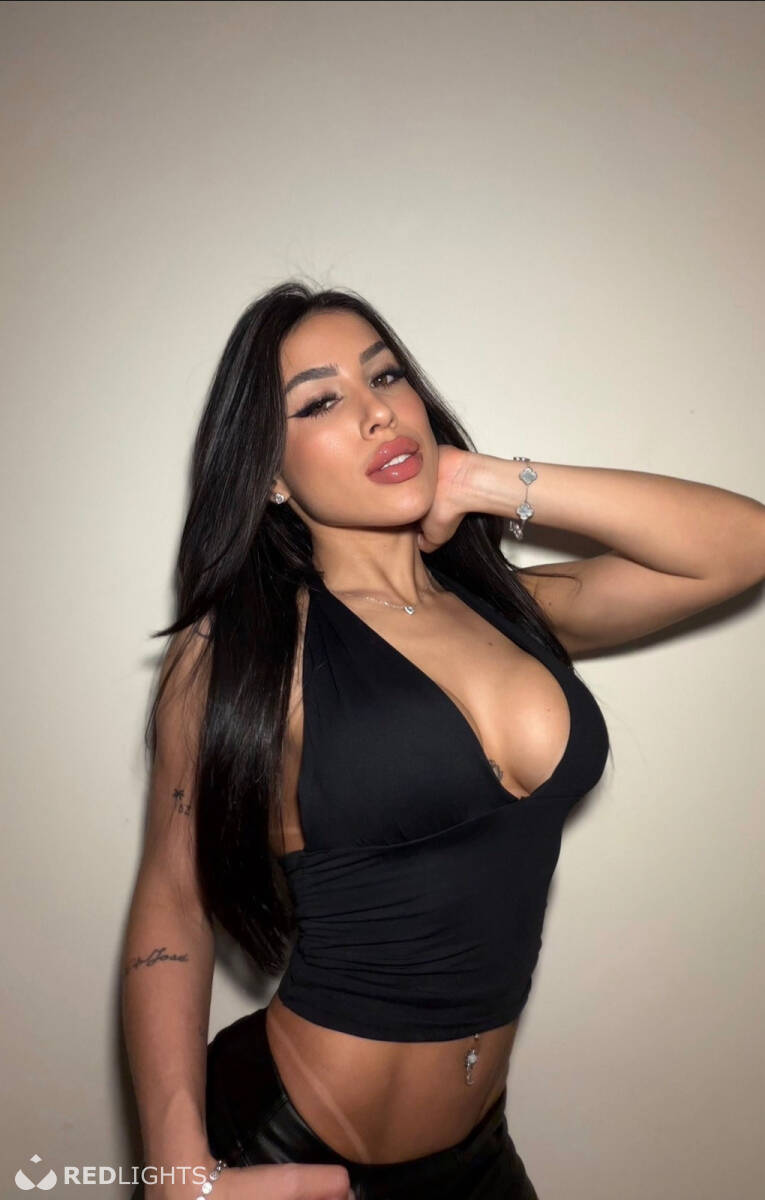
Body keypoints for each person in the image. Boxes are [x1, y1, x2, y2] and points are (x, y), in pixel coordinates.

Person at [121, 281, 765, 1200]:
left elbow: (741, 545)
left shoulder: (512, 609)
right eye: (321, 401)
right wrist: (176, 1170)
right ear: (269, 474)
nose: (378, 411)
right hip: (288, 1145)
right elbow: (173, 903)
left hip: (477, 1154)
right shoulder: (239, 650)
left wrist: (480, 480)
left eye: (386, 376)